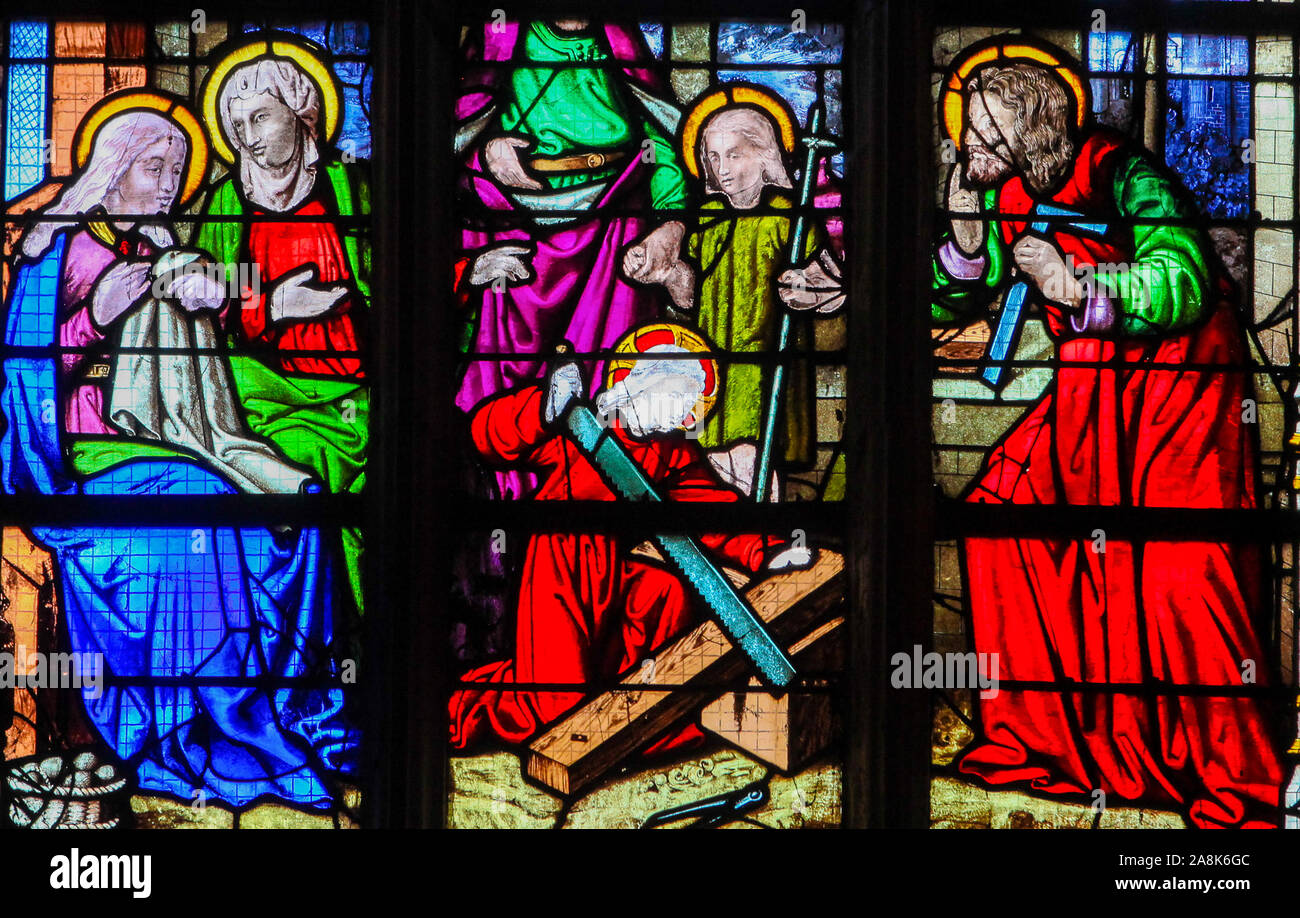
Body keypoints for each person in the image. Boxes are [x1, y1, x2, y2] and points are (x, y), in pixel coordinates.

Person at [932, 39, 1283, 828]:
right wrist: (958, 243)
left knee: (1178, 568)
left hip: (1177, 386)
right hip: (1090, 389)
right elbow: (973, 282)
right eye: (969, 135)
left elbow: (1183, 274)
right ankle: (1044, 737)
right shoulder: (1002, 189)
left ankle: (1230, 769)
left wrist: (1076, 282)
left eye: (988, 139)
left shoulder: (1125, 173)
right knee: (1002, 512)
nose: (971, 150)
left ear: (1033, 132)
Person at [1, 92, 357, 808]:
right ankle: (197, 727)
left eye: (178, 170)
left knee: (303, 504)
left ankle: (298, 711)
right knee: (200, 511)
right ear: (114, 169)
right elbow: (22, 369)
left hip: (184, 442)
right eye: (153, 167)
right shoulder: (57, 249)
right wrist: (95, 317)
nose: (168, 184)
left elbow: (206, 346)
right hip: (86, 463)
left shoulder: (164, 248)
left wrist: (248, 301)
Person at [449, 323, 811, 748]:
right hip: (562, 565)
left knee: (668, 591)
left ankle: (641, 723)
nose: (684, 413)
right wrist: (544, 409)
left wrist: (766, 552)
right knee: (556, 704)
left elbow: (711, 511)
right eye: (676, 396)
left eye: (689, 403)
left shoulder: (672, 451)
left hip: (623, 571)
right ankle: (459, 707)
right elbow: (488, 435)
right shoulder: (579, 424)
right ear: (637, 380)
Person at [454, 19, 690, 499]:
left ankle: (612, 516)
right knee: (514, 396)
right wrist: (486, 155)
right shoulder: (500, 35)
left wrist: (670, 224)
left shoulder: (617, 38)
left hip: (615, 234)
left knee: (614, 388)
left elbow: (661, 138)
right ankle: (512, 524)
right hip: (518, 241)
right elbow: (445, 145)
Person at [197, 34, 370, 615]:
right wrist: (272, 307)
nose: (247, 136)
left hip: (355, 393)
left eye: (260, 117)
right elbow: (201, 309)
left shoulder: (350, 190)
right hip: (258, 393)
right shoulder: (225, 205)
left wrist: (472, 267)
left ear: (301, 113)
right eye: (236, 123)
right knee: (286, 464)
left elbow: (396, 273)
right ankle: (303, 645)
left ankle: (356, 634)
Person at [623, 89, 844, 497]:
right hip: (709, 363)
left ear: (764, 156)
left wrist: (808, 288)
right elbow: (691, 298)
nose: (721, 168)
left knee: (751, 455)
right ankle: (740, 545)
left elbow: (829, 283)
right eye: (713, 157)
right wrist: (666, 273)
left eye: (734, 154)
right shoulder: (707, 219)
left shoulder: (788, 218)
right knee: (711, 461)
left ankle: (768, 537)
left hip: (762, 361)